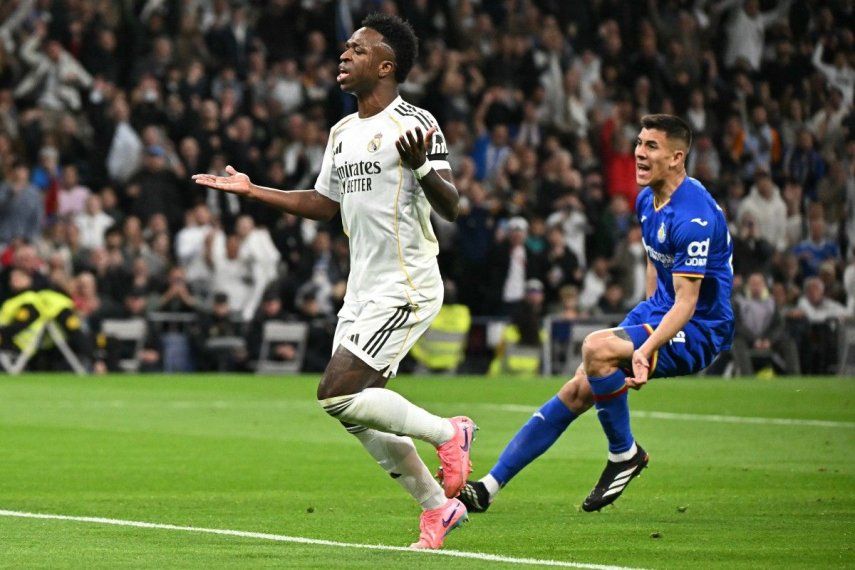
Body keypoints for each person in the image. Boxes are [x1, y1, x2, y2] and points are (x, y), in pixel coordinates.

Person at [192, 14, 474, 550]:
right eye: (345, 47)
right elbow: (324, 204)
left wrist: (420, 167)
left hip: (406, 283)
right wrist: (254, 191)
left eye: (357, 50)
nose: (344, 55)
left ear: (386, 66)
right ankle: (438, 507)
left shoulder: (415, 123)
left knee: (335, 393)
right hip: (362, 290)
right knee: (357, 414)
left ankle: (449, 432)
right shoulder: (342, 132)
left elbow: (453, 206)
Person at [458, 115, 734, 514]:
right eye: (638, 143)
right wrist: (646, 320)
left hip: (700, 328)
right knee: (579, 387)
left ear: (677, 158)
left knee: (595, 348)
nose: (639, 153)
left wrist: (646, 346)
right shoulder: (647, 199)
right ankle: (487, 487)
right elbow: (655, 259)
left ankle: (624, 454)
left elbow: (687, 303)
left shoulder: (695, 217)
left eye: (651, 146)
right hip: (662, 311)